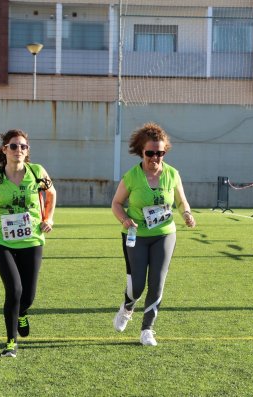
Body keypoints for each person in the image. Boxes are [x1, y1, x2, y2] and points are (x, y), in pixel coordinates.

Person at [0, 129, 56, 358]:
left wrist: (48, 218)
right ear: (5, 149)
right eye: (14, 146)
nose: (19, 150)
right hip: (2, 241)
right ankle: (11, 342)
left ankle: (21, 313)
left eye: (24, 146)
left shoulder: (37, 172)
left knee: (28, 296)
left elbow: (52, 193)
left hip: (32, 240)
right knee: (14, 290)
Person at [111, 122, 196, 346]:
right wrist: (125, 219)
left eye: (160, 153)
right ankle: (127, 307)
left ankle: (147, 329)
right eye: (150, 153)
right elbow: (117, 203)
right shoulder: (131, 177)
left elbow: (181, 200)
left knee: (157, 282)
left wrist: (186, 213)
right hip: (135, 234)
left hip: (164, 234)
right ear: (141, 151)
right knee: (137, 284)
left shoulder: (172, 174)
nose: (155, 158)